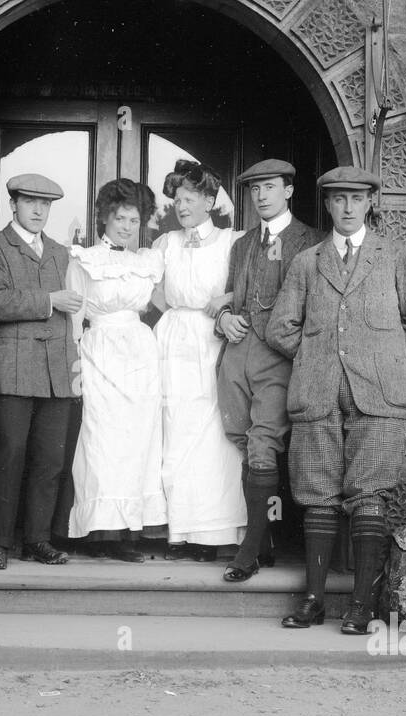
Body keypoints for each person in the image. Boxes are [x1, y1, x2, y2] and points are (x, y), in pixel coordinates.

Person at [267, 165, 406, 632]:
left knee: (369, 496)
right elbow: (279, 326)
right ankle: (314, 600)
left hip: (379, 396)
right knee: (318, 494)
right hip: (317, 392)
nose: (346, 207)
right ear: (326, 204)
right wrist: (319, 354)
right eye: (337, 199)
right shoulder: (307, 262)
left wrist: (377, 354)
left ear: (369, 204)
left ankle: (361, 606)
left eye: (355, 199)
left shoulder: (395, 257)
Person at [215, 159, 325, 583]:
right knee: (242, 440)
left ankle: (248, 554)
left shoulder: (309, 241)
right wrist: (223, 318)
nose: (261, 195)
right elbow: (228, 296)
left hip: (279, 359)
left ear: (289, 191)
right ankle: (262, 540)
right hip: (237, 356)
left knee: (263, 445)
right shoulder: (242, 244)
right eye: (255, 188)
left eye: (270, 187)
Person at [0, 173, 83, 570]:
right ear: (13, 205)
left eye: (45, 204)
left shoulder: (60, 252)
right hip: (14, 368)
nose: (38, 210)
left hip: (57, 372)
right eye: (30, 202)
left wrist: (75, 369)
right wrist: (50, 300)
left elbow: (77, 316)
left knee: (50, 461)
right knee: (10, 455)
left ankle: (37, 539)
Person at [65, 178, 167, 561]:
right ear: (104, 218)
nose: (126, 226)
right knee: (101, 441)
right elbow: (75, 319)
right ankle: (101, 531)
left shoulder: (146, 262)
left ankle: (130, 531)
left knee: (137, 442)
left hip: (140, 355)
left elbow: (167, 303)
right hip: (100, 353)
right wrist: (74, 366)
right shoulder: (84, 260)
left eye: (133, 219)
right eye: (119, 217)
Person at [152, 159, 245, 560]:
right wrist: (175, 312)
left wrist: (224, 301)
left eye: (190, 198)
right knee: (173, 427)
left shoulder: (230, 242)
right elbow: (150, 290)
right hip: (172, 341)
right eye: (177, 199)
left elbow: (249, 285)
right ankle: (178, 531)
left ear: (209, 200)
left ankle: (213, 532)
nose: (181, 206)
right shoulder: (164, 244)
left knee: (210, 436)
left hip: (211, 341)